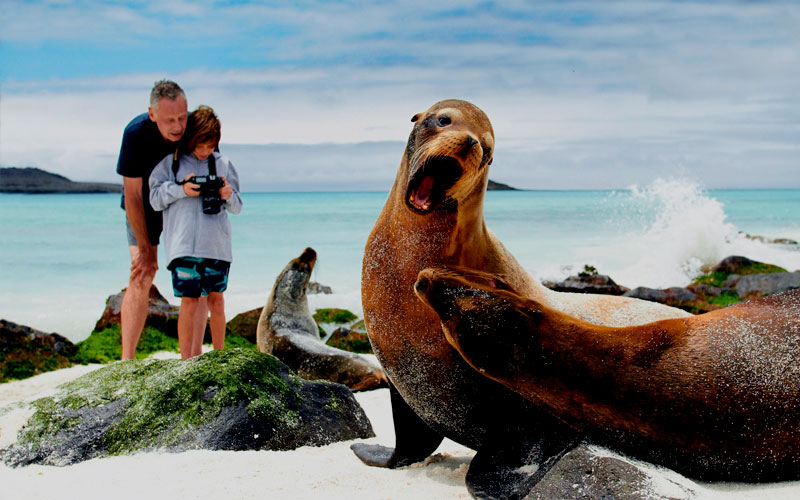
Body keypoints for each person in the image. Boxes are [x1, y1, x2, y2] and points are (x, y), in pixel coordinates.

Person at [149, 105, 242, 359]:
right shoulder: (172, 164)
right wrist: (182, 189)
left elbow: (238, 207)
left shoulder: (224, 164)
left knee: (217, 301)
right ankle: (187, 360)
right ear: (191, 139)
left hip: (216, 247)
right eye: (200, 145)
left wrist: (228, 194)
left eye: (210, 146)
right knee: (189, 301)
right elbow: (155, 199)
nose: (204, 152)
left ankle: (221, 357)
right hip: (183, 247)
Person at [117, 80, 188, 360]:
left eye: (182, 117)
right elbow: (132, 195)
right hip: (143, 208)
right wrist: (145, 248)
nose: (178, 126)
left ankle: (190, 354)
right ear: (152, 114)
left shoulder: (191, 128)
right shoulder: (135, 134)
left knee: (193, 270)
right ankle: (127, 360)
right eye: (169, 119)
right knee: (142, 270)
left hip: (179, 203)